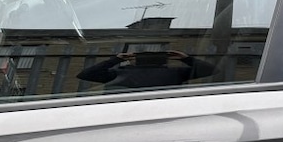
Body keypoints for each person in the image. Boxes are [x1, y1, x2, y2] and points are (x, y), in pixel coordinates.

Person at [77, 49, 215, 90]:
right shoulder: (175, 73)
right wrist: (185, 58)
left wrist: (117, 59)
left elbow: (85, 74)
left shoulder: (120, 73)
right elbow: (211, 71)